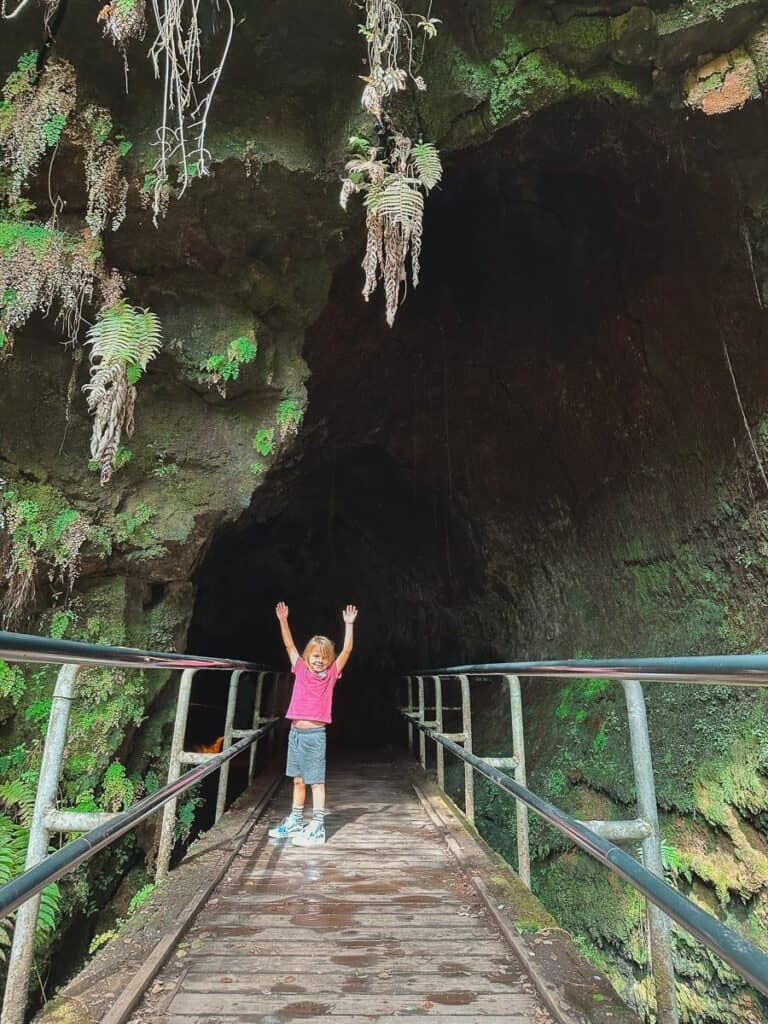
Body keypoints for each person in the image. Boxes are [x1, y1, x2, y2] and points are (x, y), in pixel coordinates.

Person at [268, 601, 358, 847]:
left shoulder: (330, 675)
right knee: (297, 779)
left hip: (315, 734)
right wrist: (283, 620)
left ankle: (318, 826)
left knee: (316, 781)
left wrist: (348, 625)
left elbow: (347, 651)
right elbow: (289, 644)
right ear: (308, 656)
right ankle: (296, 819)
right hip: (295, 733)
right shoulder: (299, 668)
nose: (320, 661)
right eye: (316, 656)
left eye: (324, 658)